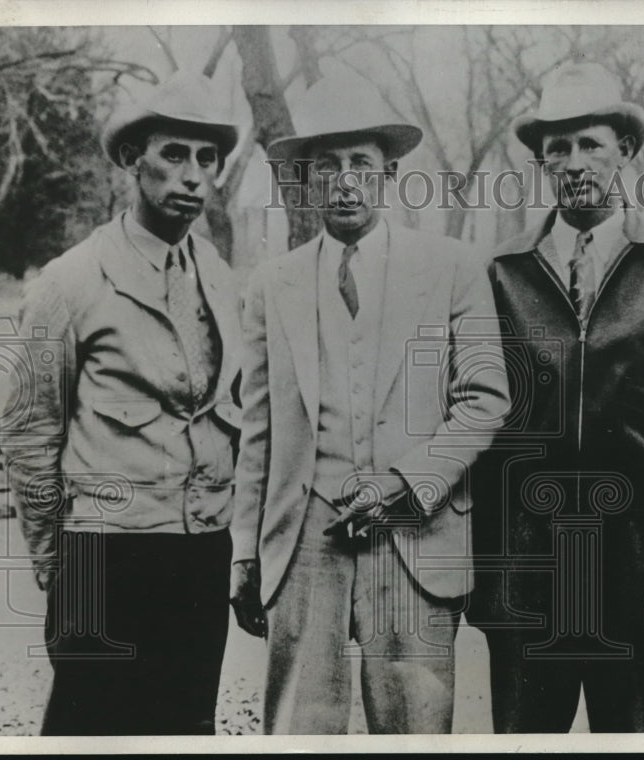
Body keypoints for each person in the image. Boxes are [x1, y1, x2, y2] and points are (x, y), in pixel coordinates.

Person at [228, 74, 510, 735]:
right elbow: (259, 430)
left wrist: (407, 483)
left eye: (360, 163)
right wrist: (245, 549)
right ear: (305, 180)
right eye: (327, 165)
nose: (345, 181)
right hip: (305, 544)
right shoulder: (275, 284)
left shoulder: (452, 268)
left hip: (414, 534)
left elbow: (484, 397)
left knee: (415, 726)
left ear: (389, 174)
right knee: (300, 727)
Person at [0, 71, 243, 735]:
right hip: (102, 555)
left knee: (184, 730)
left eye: (206, 158)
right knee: (88, 734)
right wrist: (60, 566)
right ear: (134, 160)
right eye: (173, 154)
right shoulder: (72, 281)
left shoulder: (218, 276)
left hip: (199, 551)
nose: (192, 175)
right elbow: (28, 433)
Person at [469, 62, 644, 733]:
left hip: (637, 572)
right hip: (532, 575)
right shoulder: (501, 273)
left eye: (591, 143)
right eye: (557, 148)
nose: (575, 162)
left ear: (625, 149)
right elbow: (476, 417)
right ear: (540, 161)